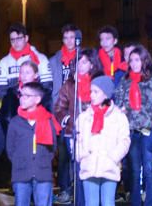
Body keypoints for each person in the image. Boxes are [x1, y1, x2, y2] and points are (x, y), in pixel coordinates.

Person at [112, 46, 152, 206]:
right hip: (131, 131)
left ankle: (149, 202)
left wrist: (146, 120)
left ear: (145, 60)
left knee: (149, 170)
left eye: (138, 60)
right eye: (132, 60)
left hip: (149, 130)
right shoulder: (125, 81)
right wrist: (123, 110)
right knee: (135, 171)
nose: (134, 63)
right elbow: (120, 102)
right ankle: (135, 202)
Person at [54, 48, 104, 206]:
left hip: (96, 134)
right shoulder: (69, 84)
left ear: (91, 64)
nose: (81, 66)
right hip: (74, 134)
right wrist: (70, 121)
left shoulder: (99, 83)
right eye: (78, 62)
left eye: (84, 62)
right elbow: (59, 108)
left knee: (94, 170)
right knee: (78, 170)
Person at [75, 76, 131, 206]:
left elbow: (124, 140)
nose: (92, 95)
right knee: (91, 203)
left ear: (106, 93)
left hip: (109, 165)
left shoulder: (118, 116)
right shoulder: (84, 117)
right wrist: (82, 155)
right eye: (91, 91)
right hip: (89, 164)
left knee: (108, 202)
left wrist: (113, 157)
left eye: (96, 92)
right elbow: (78, 139)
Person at [6, 80, 60, 206]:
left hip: (42, 171)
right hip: (21, 172)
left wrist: (42, 160)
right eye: (21, 95)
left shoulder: (47, 120)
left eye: (27, 96)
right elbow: (10, 148)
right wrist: (20, 161)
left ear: (37, 99)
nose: (22, 99)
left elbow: (53, 147)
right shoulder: (15, 122)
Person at [51, 24, 82, 205]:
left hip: (79, 110)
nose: (69, 41)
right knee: (63, 154)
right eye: (66, 37)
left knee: (79, 153)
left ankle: (78, 188)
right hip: (61, 110)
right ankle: (64, 189)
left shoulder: (83, 57)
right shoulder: (55, 59)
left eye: (72, 37)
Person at [0, 24, 53, 103]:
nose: (15, 42)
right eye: (12, 40)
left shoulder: (41, 59)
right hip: (13, 108)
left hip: (36, 107)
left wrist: (33, 104)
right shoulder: (4, 62)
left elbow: (47, 87)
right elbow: (1, 91)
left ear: (26, 38)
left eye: (19, 38)